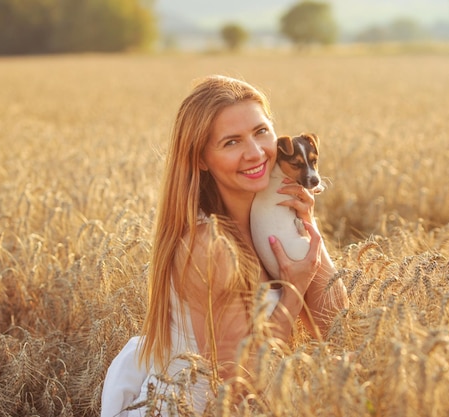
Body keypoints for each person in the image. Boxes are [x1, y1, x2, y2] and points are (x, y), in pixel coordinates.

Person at [101, 75, 348, 417]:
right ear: (201, 159)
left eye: (261, 131)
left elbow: (337, 326)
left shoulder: (268, 221)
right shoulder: (208, 244)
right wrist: (295, 288)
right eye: (232, 142)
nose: (255, 152)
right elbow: (240, 384)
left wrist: (306, 225)